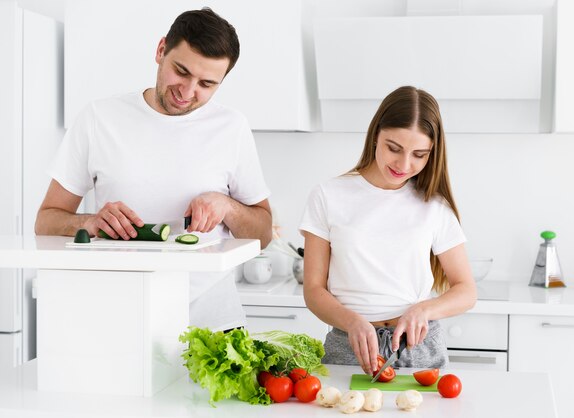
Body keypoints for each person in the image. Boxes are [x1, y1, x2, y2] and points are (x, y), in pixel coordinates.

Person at [34, 8, 272, 331]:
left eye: (206, 84)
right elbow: (45, 220)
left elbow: (263, 233)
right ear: (161, 51)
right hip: (122, 317)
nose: (187, 92)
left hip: (213, 322)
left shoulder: (232, 127)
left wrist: (226, 206)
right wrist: (88, 222)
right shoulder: (99, 119)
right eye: (181, 71)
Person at [299, 86, 477, 375]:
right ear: (375, 135)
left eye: (419, 154)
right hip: (349, 346)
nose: (404, 165)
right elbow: (313, 290)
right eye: (394, 148)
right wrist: (353, 321)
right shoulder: (328, 195)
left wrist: (424, 310)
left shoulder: (433, 205)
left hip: (418, 348)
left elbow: (466, 290)